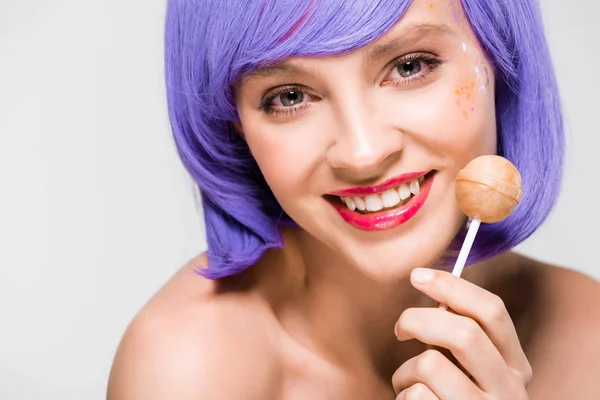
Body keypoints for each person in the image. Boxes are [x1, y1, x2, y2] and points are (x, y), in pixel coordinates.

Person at [107, 0, 600, 398]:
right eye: (290, 96)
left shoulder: (587, 335)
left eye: (409, 66)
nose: (362, 154)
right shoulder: (185, 367)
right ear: (235, 121)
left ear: (498, 57)